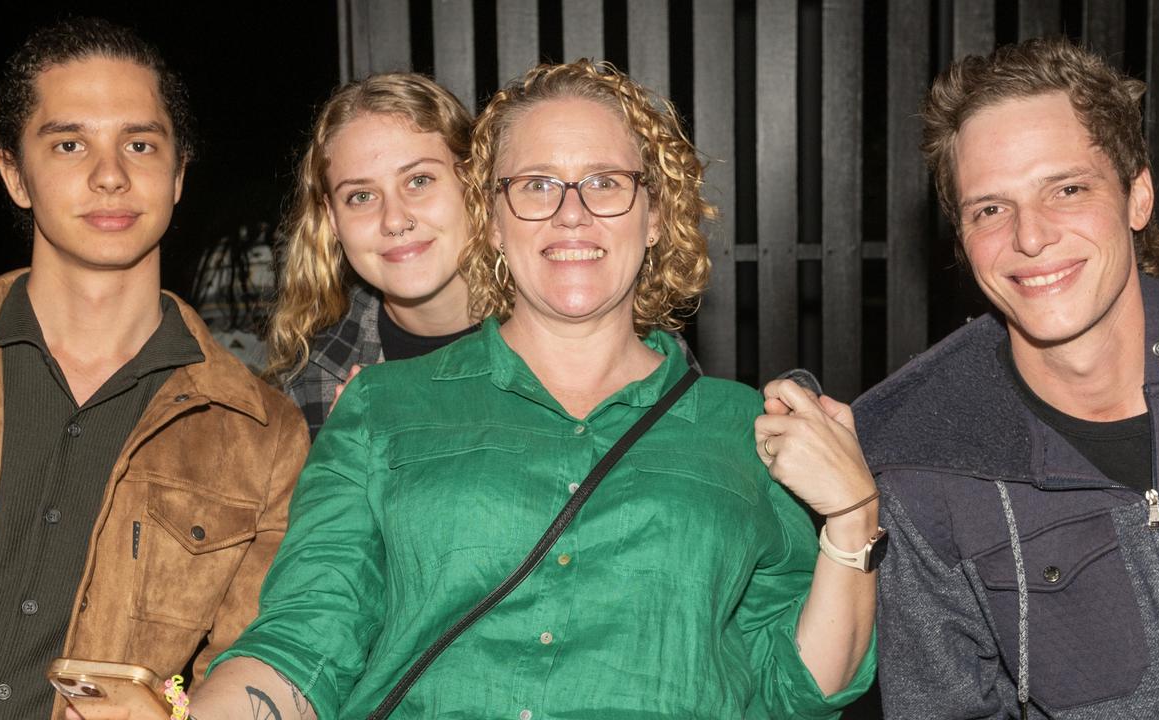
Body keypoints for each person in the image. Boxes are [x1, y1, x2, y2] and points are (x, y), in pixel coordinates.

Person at [189, 60, 877, 719]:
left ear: (656, 214)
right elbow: (307, 638)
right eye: (537, 185)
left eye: (605, 182)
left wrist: (852, 517)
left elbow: (798, 688)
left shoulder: (743, 428)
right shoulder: (378, 407)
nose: (571, 214)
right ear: (490, 216)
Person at [0, 17, 307, 718]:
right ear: (15, 174)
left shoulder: (260, 435)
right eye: (70, 144)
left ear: (179, 173)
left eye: (139, 144)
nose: (110, 175)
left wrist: (173, 713)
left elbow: (257, 663)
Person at [852, 37, 1159, 718]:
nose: (1031, 237)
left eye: (1067, 189)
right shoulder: (921, 462)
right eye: (990, 209)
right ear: (961, 239)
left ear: (1138, 197)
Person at [266, 74, 481, 440]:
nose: (395, 220)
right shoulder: (313, 380)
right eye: (361, 196)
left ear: (472, 181)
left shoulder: (568, 337)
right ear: (332, 219)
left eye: (419, 180)